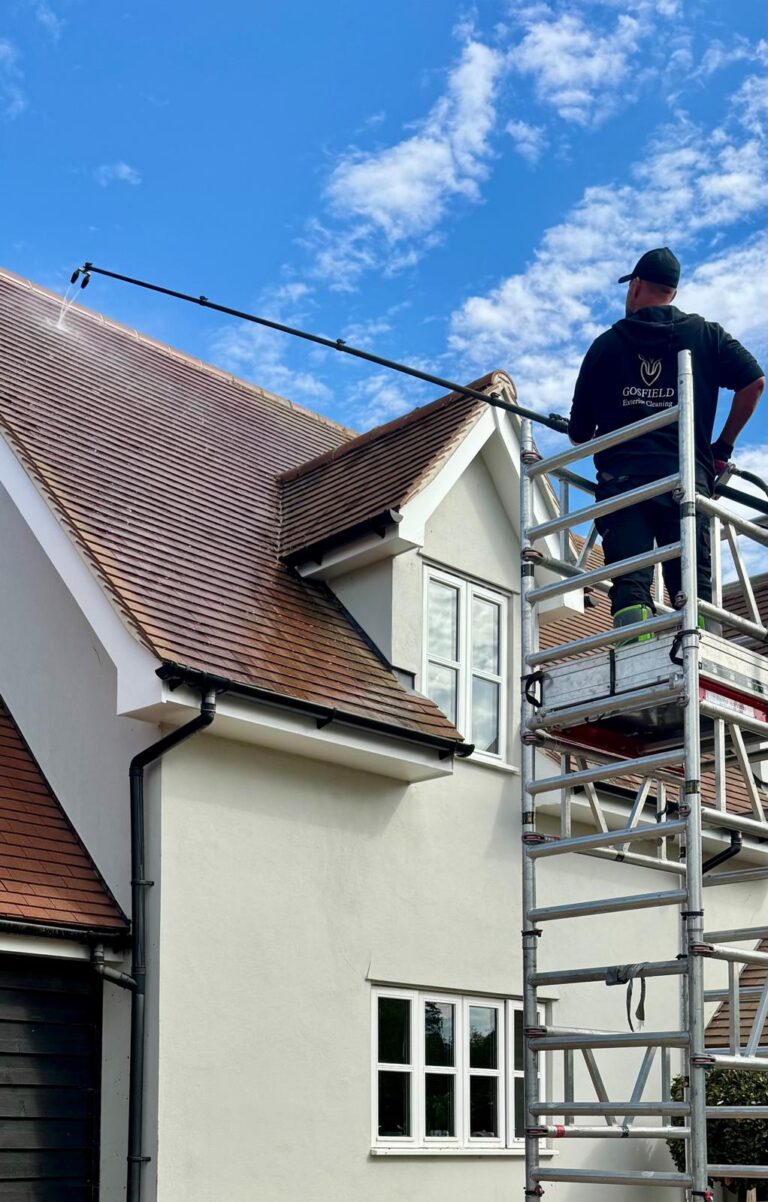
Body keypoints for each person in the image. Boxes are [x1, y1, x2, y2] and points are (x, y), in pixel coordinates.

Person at [568, 247, 764, 634]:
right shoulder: (706, 335)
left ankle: (633, 650)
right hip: (686, 479)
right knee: (692, 585)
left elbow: (579, 434)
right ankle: (701, 650)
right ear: (672, 292)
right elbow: (754, 382)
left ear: (636, 285)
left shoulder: (605, 346)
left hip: (624, 485)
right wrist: (721, 447)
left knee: (631, 583)